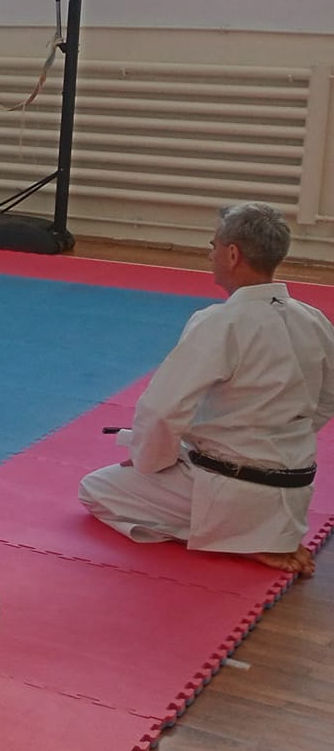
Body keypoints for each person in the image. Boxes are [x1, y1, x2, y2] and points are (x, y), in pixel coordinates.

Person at [80, 202, 334, 576]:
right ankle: (263, 532)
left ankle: (239, 538)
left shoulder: (220, 322)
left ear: (232, 254)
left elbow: (163, 410)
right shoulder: (314, 319)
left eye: (213, 245)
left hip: (229, 488)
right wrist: (279, 438)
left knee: (95, 489)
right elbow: (327, 400)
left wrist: (151, 461)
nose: (210, 254)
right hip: (293, 487)